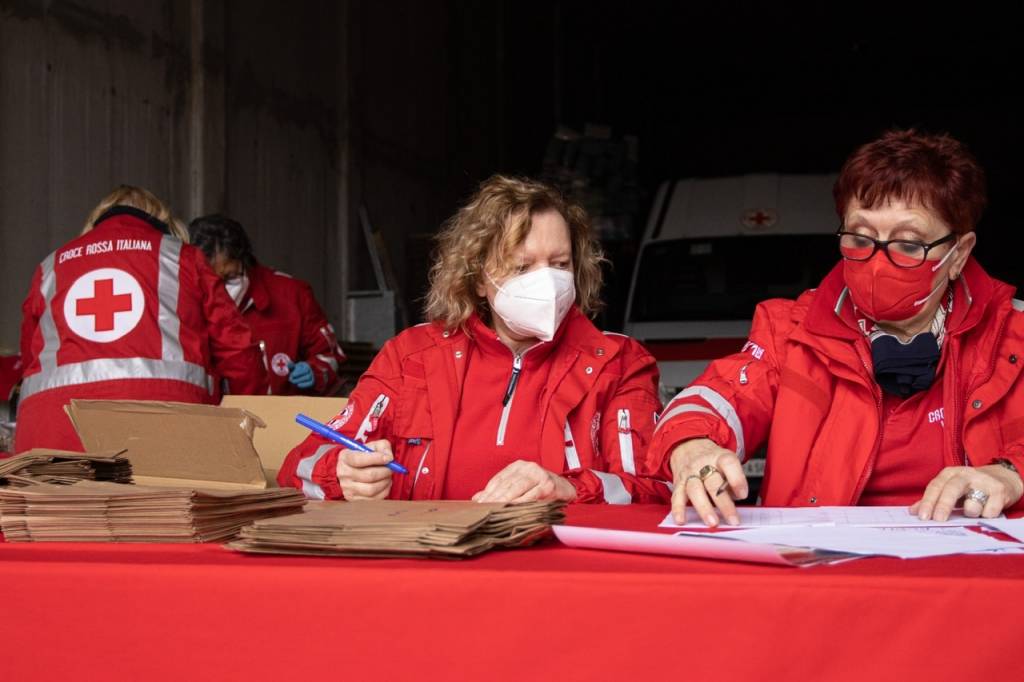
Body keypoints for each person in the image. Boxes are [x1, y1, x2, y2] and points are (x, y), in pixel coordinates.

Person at [652, 129, 1024, 526]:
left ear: (958, 254)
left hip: (968, 573)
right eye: (860, 238)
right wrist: (690, 446)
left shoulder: (1013, 333)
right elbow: (711, 400)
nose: (879, 262)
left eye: (909, 244)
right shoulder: (791, 330)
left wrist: (1009, 473)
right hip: (819, 569)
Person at [278, 175, 669, 504]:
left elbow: (657, 493)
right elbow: (298, 466)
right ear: (480, 279)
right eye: (522, 266)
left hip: (558, 581)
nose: (547, 280)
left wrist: (570, 488)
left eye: (560, 264)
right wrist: (340, 473)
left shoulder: (619, 363)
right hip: (431, 576)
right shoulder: (410, 357)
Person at [16, 186, 266, 452]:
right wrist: (258, 419)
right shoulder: (182, 257)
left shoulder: (51, 266)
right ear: (164, 221)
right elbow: (239, 353)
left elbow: (30, 353)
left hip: (49, 435)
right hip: (164, 430)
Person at [189, 215, 346, 396]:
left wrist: (316, 371)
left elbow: (330, 355)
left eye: (229, 278)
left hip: (279, 417)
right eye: (210, 281)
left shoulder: (292, 295)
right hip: (211, 417)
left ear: (245, 262)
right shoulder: (181, 298)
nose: (219, 290)